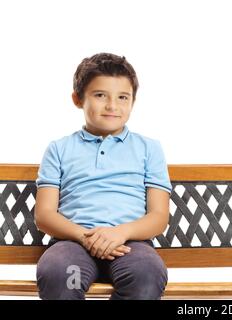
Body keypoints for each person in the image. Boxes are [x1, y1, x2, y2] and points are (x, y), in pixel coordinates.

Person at [35, 53, 171, 300]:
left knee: (145, 277)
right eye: (100, 95)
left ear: (133, 101)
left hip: (130, 245)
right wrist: (85, 237)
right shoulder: (59, 149)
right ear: (78, 99)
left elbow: (159, 216)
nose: (112, 106)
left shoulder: (149, 149)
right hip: (73, 244)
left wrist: (119, 233)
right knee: (61, 276)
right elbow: (44, 215)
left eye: (122, 97)